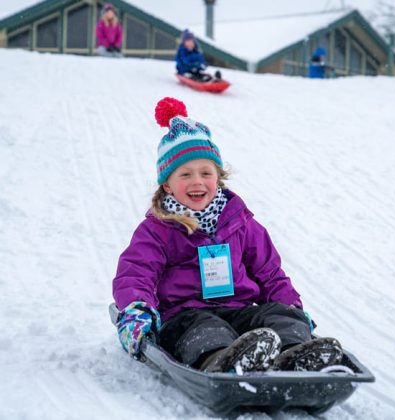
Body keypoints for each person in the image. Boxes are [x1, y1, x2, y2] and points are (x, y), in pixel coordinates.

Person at [112, 97, 343, 373]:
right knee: (204, 328)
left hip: (239, 312)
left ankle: (295, 354)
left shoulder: (241, 224)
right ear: (167, 185)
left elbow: (269, 272)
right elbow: (136, 272)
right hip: (186, 315)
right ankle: (221, 361)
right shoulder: (157, 230)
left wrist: (292, 308)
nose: (197, 181)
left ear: (217, 178)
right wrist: (137, 309)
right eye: (185, 174)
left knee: (278, 316)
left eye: (205, 173)